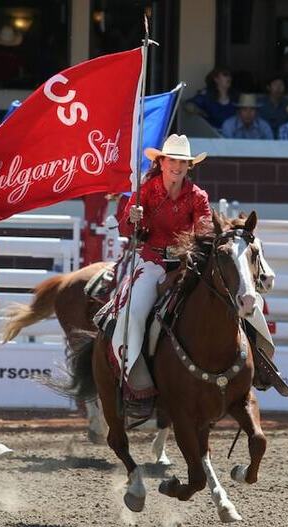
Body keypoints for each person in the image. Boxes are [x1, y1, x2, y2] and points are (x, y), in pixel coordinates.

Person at [112, 134, 211, 416]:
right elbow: (126, 231)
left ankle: (257, 364)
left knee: (227, 300)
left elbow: (204, 232)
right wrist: (133, 220)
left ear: (189, 166)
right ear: (162, 162)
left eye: (182, 162)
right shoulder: (145, 191)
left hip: (186, 265)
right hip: (153, 260)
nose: (177, 167)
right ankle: (133, 376)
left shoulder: (198, 196)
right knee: (133, 311)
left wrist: (188, 253)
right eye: (172, 161)